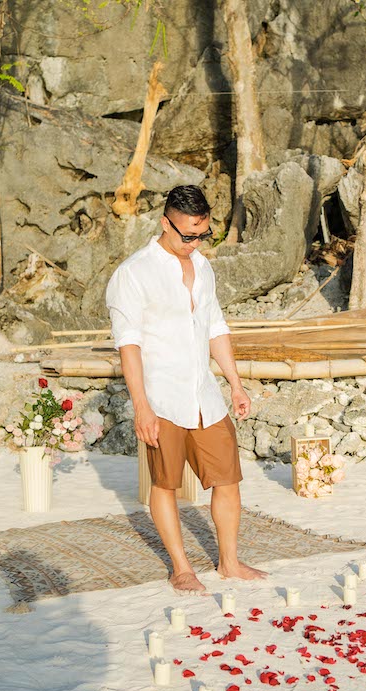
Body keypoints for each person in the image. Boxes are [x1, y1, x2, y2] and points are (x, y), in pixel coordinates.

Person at [105, 185, 267, 594]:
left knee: (228, 479)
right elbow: (129, 346)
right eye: (187, 236)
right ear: (165, 223)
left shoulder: (204, 268)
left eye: (202, 235)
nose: (195, 244)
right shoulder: (133, 273)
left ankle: (229, 561)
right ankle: (181, 568)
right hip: (162, 398)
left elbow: (216, 328)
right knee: (165, 484)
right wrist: (141, 406)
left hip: (204, 396)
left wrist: (235, 384)